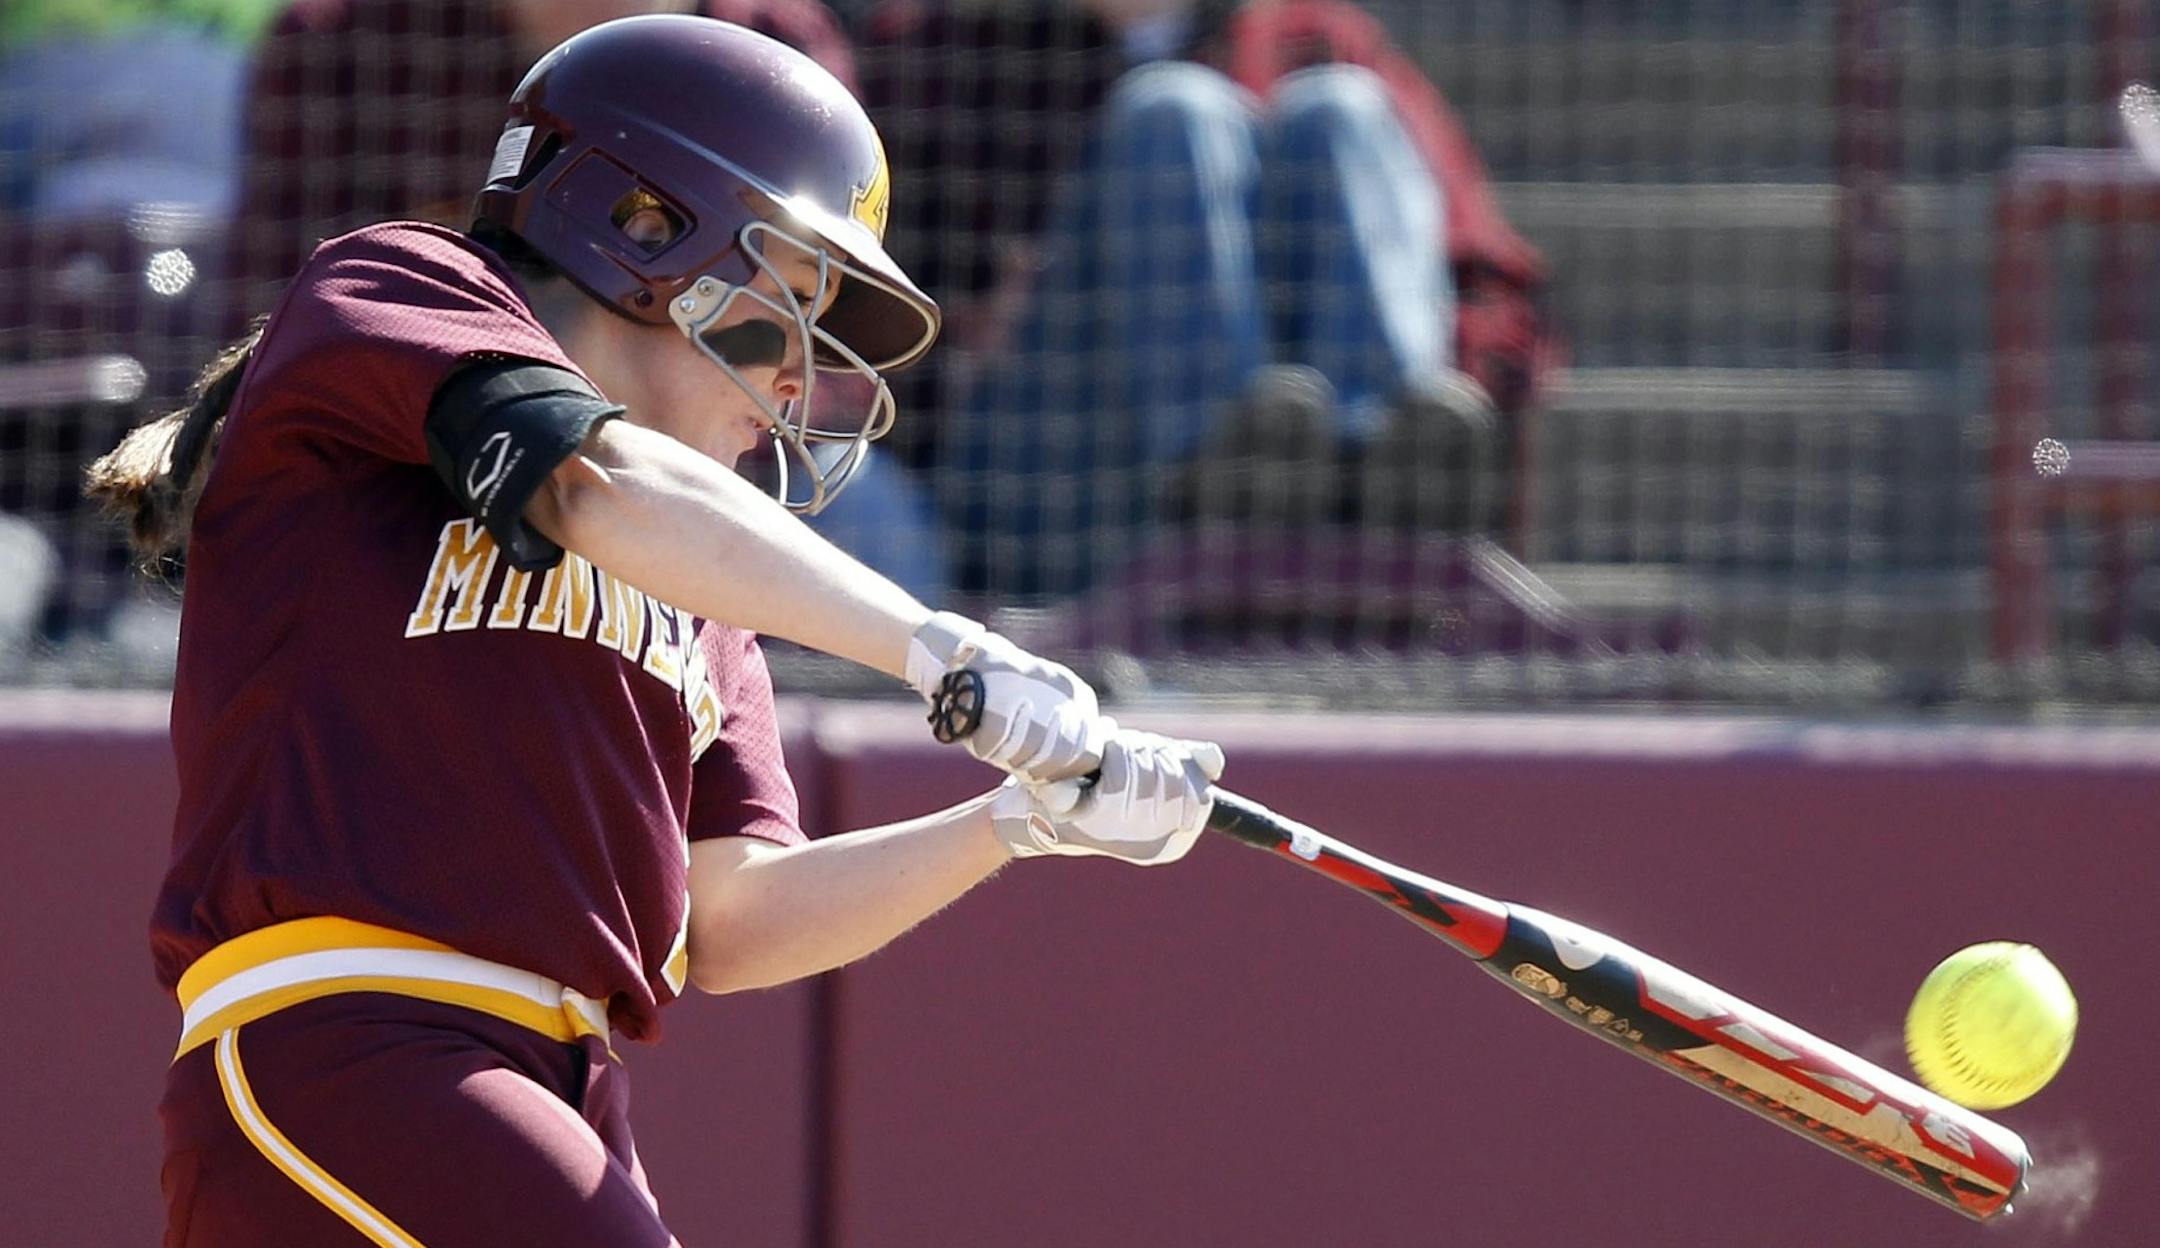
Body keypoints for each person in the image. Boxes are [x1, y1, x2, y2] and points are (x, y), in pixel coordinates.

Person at [86, 16, 1223, 1245]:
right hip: (353, 1042)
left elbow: (727, 919)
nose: (799, 379)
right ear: (638, 229)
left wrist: (1013, 824)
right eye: (781, 302)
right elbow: (591, 484)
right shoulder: (403, 286)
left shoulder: (700, 560)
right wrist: (939, 644)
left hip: (564, 1094)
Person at [860, 0, 1556, 598]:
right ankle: (1223, 474)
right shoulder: (942, 48)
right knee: (1172, 116)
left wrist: (1466, 373)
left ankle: (1391, 473)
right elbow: (842, 301)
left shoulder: (1314, 37)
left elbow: (1490, 281)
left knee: (1341, 109)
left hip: (1334, 492)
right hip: (1064, 484)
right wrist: (956, 332)